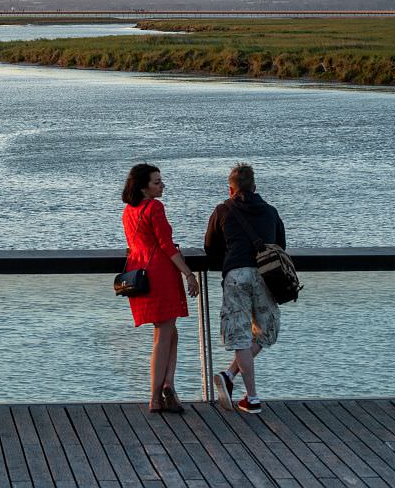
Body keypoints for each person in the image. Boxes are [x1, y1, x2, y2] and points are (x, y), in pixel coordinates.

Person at [204, 162, 286, 415]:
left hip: (236, 275)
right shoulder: (271, 212)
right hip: (265, 276)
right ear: (255, 187)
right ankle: (237, 385)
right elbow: (280, 244)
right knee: (265, 330)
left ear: (230, 189)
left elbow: (210, 248)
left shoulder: (222, 210)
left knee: (239, 334)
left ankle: (242, 388)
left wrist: (230, 258)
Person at [121, 163, 200, 413]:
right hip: (160, 274)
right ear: (144, 187)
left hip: (139, 272)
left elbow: (136, 244)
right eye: (157, 182)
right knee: (163, 335)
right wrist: (188, 274)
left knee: (168, 332)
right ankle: (156, 396)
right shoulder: (154, 207)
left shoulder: (128, 211)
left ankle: (169, 386)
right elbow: (166, 245)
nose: (162, 184)